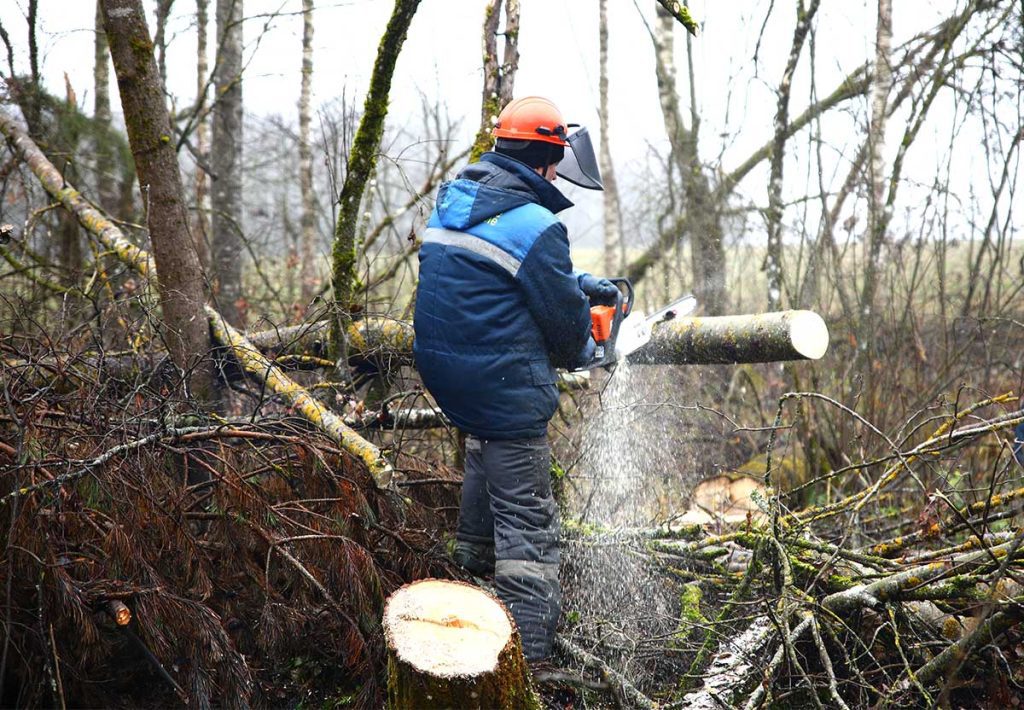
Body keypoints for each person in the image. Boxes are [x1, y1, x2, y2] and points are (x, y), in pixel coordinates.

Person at [413, 96, 618, 661]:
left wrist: (579, 282)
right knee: (529, 527)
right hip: (500, 384)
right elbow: (564, 330)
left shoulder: (457, 201)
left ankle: (471, 573)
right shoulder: (537, 224)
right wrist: (593, 339)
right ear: (547, 159)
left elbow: (497, 271)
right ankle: (529, 664)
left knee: (487, 447)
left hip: (449, 372)